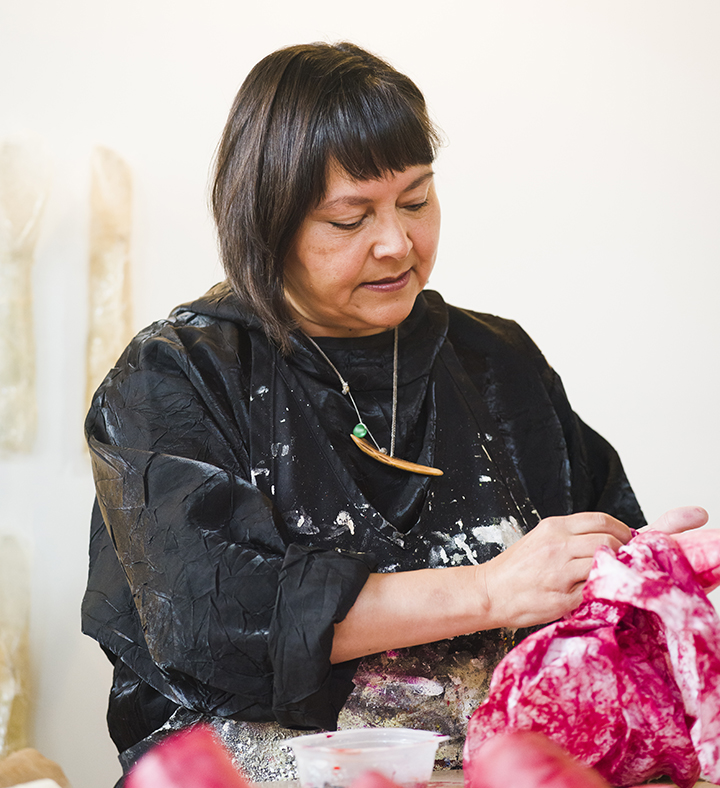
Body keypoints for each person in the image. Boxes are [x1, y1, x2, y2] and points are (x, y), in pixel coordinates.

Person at [82, 42, 706, 781]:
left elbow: (594, 611)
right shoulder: (177, 379)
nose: (397, 243)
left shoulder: (498, 366)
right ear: (267, 223)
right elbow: (219, 621)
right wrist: (487, 589)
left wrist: (636, 575)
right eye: (350, 220)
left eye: (415, 200)